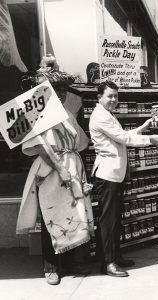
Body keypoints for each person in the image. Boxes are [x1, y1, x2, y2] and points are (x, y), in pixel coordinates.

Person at [16, 57, 94, 285]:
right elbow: (37, 146)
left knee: (72, 215)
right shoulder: (35, 113)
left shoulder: (68, 114)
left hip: (70, 168)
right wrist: (61, 168)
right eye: (54, 88)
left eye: (61, 89)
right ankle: (51, 267)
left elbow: (81, 142)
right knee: (52, 216)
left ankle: (69, 262)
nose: (59, 93)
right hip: (49, 172)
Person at [89, 80, 158, 277]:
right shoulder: (100, 116)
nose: (114, 99)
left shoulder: (107, 114)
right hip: (108, 175)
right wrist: (150, 140)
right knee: (108, 220)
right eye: (109, 96)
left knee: (115, 218)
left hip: (115, 174)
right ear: (99, 97)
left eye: (115, 96)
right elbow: (124, 139)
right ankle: (108, 263)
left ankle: (115, 256)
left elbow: (122, 135)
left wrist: (144, 126)